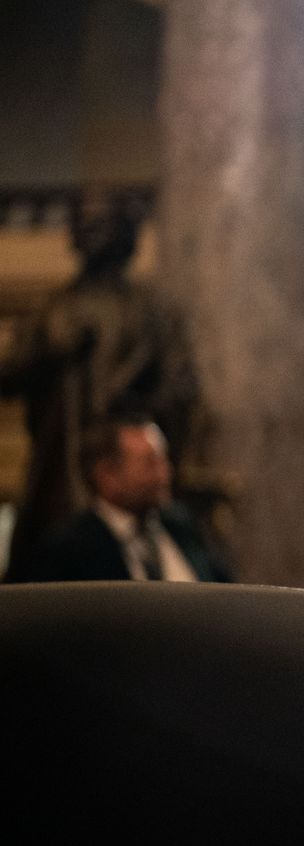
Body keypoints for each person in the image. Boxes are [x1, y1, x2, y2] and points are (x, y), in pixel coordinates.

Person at [0, 193, 198, 572]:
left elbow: (180, 383)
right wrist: (48, 354)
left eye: (101, 223)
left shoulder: (149, 310)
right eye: (84, 223)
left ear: (124, 232)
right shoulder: (53, 309)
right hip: (61, 466)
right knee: (54, 568)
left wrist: (136, 415)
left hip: (125, 459)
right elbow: (9, 375)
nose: (91, 231)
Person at [5, 415, 228, 584]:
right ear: (107, 475)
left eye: (163, 461)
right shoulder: (68, 550)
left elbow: (225, 591)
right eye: (150, 464)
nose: (165, 474)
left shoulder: (182, 526)